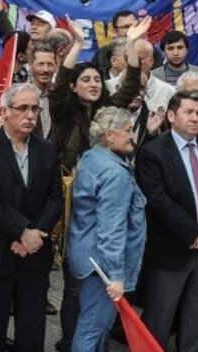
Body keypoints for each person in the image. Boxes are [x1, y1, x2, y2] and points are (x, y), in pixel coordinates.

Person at [0, 83, 63, 352]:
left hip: (34, 255)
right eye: (23, 108)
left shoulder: (47, 149)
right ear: (4, 111)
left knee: (31, 332)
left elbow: (55, 197)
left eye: (35, 109)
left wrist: (34, 235)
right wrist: (22, 231)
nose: (30, 115)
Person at [136, 91, 198, 352]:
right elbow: (157, 200)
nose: (196, 118)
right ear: (171, 116)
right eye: (189, 112)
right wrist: (194, 232)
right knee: (159, 318)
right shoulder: (153, 152)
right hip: (171, 249)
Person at [66, 107, 146, 351]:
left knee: (96, 327)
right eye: (127, 130)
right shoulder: (115, 173)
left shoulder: (91, 157)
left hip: (88, 257)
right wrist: (116, 276)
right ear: (109, 136)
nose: (131, 135)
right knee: (93, 328)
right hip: (102, 267)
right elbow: (112, 230)